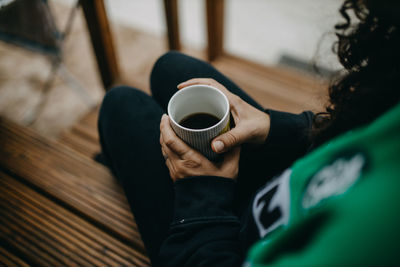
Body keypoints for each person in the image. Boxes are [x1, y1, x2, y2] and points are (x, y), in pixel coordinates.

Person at [97, 0, 400, 266]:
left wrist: (201, 193)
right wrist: (273, 127)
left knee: (119, 104)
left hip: (219, 239)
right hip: (279, 187)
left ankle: (117, 166)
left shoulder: (375, 231)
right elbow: (350, 133)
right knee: (170, 67)